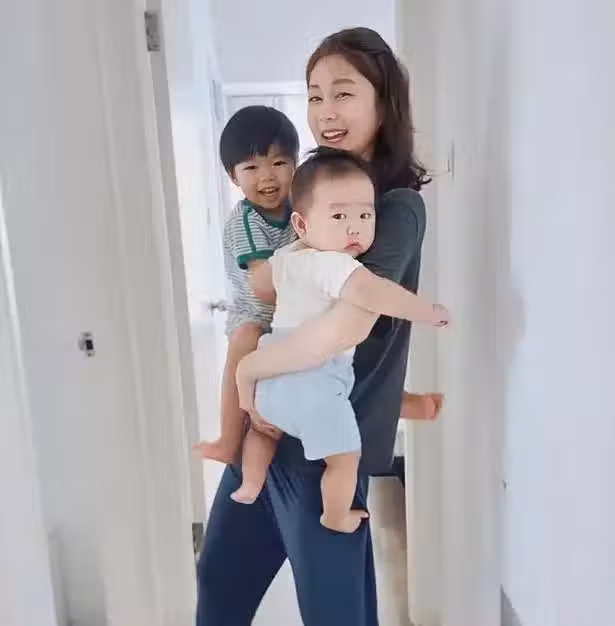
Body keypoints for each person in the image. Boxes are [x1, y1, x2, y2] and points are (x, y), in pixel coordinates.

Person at [196, 27, 436, 625]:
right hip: (266, 432)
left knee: (336, 614)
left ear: (384, 103)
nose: (326, 112)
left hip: (322, 450)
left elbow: (346, 327)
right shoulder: (306, 199)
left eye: (344, 93)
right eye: (314, 96)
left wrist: (250, 369)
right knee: (219, 586)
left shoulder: (393, 208)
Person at [231, 147, 449, 533]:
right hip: (315, 384)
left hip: (271, 377)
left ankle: (251, 482)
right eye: (339, 216)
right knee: (344, 458)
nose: (354, 228)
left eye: (365, 215)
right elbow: (373, 293)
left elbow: (261, 284)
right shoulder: (334, 264)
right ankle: (335, 515)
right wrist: (427, 311)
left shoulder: (288, 258)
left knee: (262, 430)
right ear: (301, 224)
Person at [194, 105, 299, 465]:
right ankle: (228, 438)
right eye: (252, 168)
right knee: (245, 341)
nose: (267, 176)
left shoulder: (301, 205)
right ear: (233, 176)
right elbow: (263, 287)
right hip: (256, 313)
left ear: (296, 164)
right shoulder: (246, 222)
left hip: (291, 314)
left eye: (279, 163)